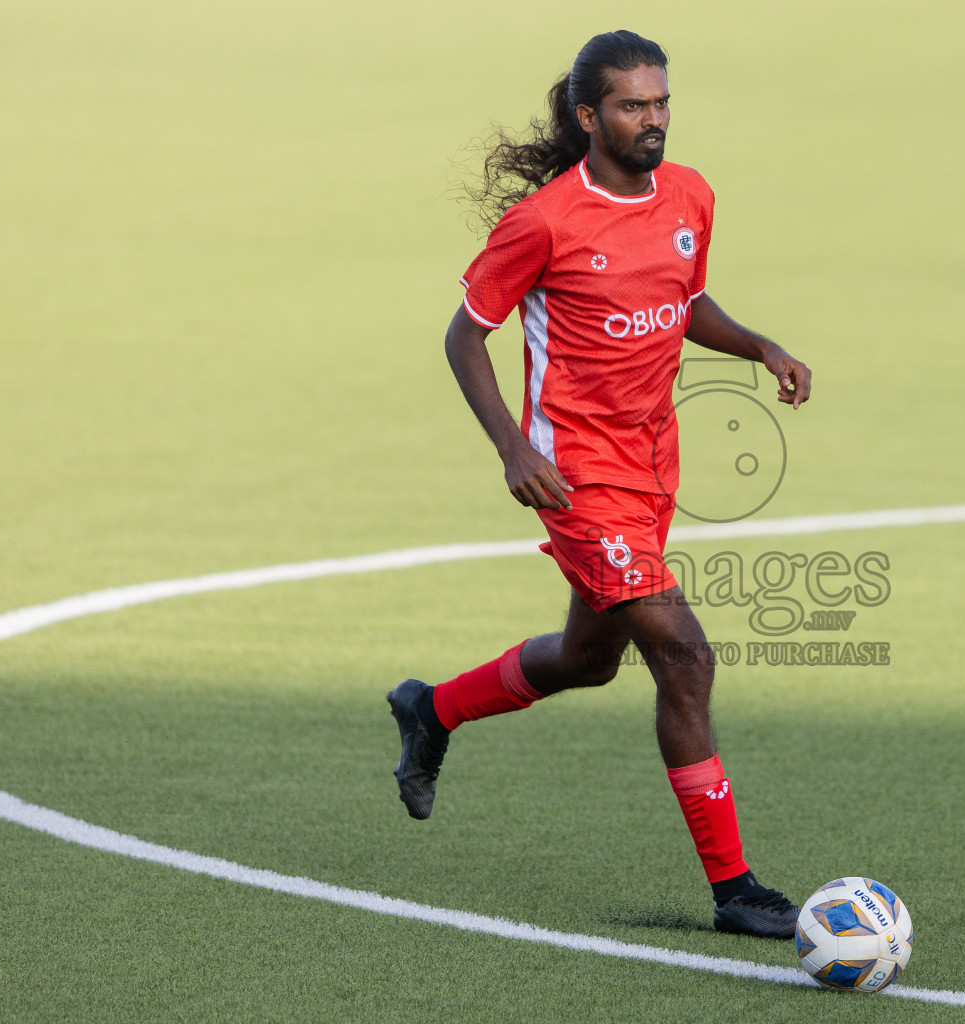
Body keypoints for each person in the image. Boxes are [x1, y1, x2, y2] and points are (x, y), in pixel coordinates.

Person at [386, 30, 812, 939]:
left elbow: (686, 299)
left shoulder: (690, 193)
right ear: (589, 117)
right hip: (578, 478)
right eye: (632, 106)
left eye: (661, 103)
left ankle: (433, 710)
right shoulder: (544, 221)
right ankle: (736, 890)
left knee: (590, 659)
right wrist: (512, 447)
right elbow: (466, 336)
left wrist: (760, 345)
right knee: (686, 658)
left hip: (657, 465)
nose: (652, 119)